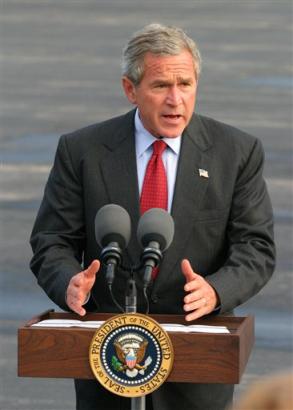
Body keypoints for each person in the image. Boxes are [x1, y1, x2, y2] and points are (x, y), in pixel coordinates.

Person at [30, 23, 275, 410]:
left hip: (196, 365)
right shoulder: (82, 150)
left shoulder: (236, 152)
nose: (175, 100)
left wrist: (216, 290)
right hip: (107, 358)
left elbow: (255, 248)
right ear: (131, 90)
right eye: (161, 86)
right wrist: (68, 283)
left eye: (186, 84)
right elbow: (52, 241)